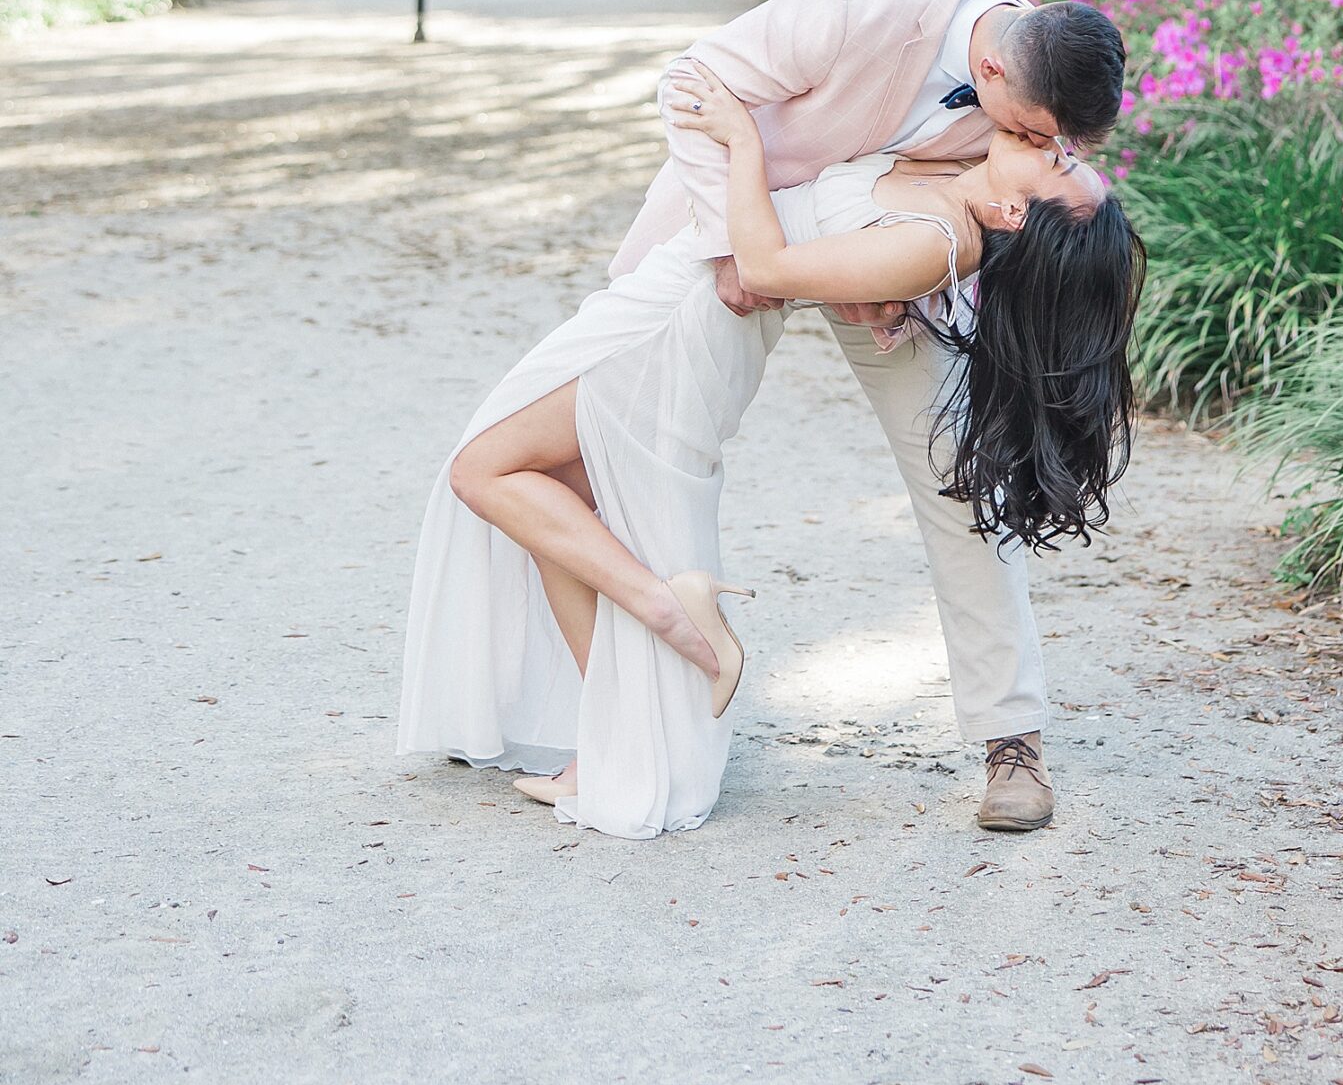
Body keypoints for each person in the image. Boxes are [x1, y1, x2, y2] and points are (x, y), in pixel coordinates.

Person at [396, 74, 1143, 841]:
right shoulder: (949, 145)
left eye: (1060, 160)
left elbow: (765, 267)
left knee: (487, 469)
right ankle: (617, 728)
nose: (1051, 144)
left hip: (692, 318)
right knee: (553, 495)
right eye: (1060, 148)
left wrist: (747, 151)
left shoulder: (947, 225)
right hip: (685, 294)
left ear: (1018, 209)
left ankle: (679, 620)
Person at [612, 0, 1128, 831]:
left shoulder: (1041, 75)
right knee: (614, 429)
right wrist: (727, 248)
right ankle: (610, 712)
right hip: (732, 220)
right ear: (992, 66)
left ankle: (1013, 740)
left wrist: (900, 277)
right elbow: (693, 83)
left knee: (957, 474)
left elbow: (1021, 209)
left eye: (1058, 143)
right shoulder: (861, 1)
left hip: (890, 256)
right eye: (1041, 134)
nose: (1049, 150)